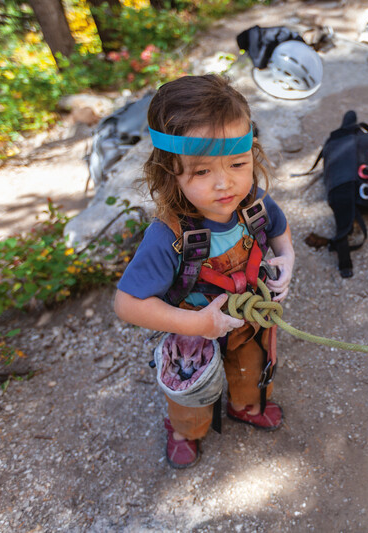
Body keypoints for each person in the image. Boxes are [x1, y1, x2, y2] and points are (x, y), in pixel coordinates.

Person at [114, 74, 294, 469]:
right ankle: (184, 431)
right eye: (201, 172)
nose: (224, 183)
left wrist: (286, 258)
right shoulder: (167, 237)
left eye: (237, 163)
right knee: (191, 397)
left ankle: (245, 404)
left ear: (252, 154)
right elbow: (127, 303)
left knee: (251, 373)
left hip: (248, 321)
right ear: (170, 172)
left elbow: (280, 231)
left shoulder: (255, 205)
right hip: (193, 335)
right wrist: (197, 324)